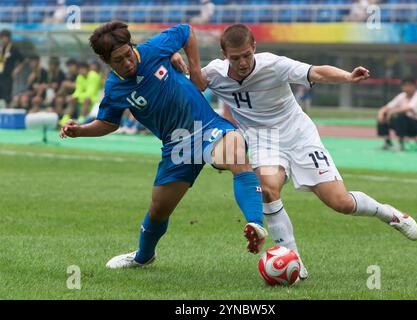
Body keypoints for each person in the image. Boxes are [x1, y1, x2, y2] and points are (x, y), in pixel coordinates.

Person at [173, 24, 417, 280]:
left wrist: (347, 76)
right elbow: (197, 82)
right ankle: (292, 258)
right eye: (235, 58)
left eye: (247, 55)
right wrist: (174, 58)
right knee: (268, 190)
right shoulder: (216, 72)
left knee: (341, 203)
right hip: (263, 140)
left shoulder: (273, 65)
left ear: (254, 48)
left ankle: (389, 214)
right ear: (225, 54)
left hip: (299, 136)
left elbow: (316, 73)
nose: (243, 62)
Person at [60, 22, 268, 269]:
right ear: (107, 61)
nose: (128, 62)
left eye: (128, 54)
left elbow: (186, 31)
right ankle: (143, 256)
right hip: (177, 146)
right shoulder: (114, 88)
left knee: (236, 155)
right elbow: (108, 123)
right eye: (119, 60)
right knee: (159, 210)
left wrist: (194, 69)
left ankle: (256, 225)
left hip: (208, 126)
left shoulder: (152, 49)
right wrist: (80, 131)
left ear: (132, 46)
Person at [377, 78, 417, 151]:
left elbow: (409, 108)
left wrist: (392, 111)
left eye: (410, 86)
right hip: (404, 124)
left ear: (415, 86)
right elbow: (388, 106)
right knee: (384, 115)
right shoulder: (401, 96)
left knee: (400, 115)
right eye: (405, 86)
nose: (407, 88)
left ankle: (400, 144)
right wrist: (381, 111)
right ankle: (387, 142)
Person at [0, 29, 24, 107]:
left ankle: (6, 110)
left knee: (6, 96)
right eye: (2, 38)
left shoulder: (13, 49)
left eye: (5, 38)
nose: (3, 40)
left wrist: (16, 70)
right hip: (0, 74)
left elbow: (22, 60)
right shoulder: (0, 49)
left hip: (7, 76)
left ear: (9, 38)